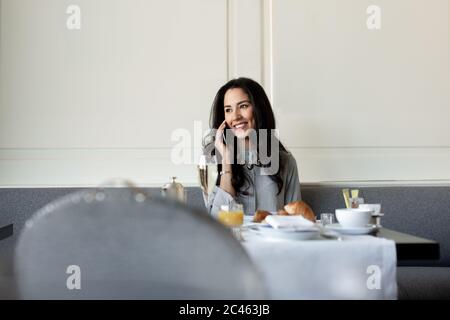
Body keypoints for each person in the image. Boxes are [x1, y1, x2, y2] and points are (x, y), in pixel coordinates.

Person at [203, 77, 301, 216]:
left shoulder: (285, 162)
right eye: (228, 110)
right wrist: (226, 161)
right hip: (231, 238)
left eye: (243, 106)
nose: (235, 116)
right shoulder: (212, 161)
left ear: (258, 109)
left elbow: (294, 220)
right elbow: (217, 222)